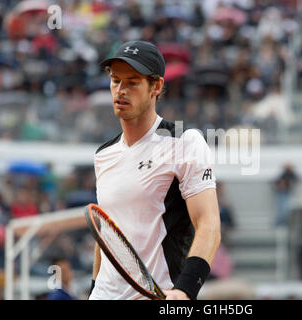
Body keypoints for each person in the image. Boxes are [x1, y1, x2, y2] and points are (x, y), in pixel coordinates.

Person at [89, 40, 221, 300]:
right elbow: (105, 231)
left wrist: (185, 290)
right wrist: (92, 290)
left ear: (156, 86)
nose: (121, 90)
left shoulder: (185, 141)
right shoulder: (103, 155)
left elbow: (209, 223)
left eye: (133, 82)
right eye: (115, 81)